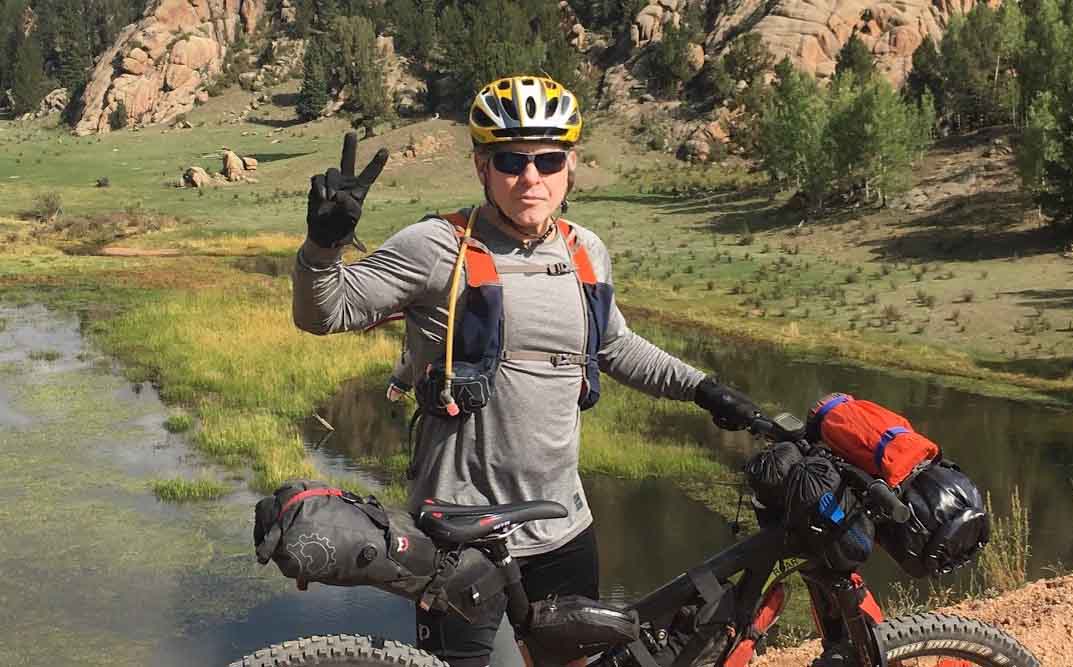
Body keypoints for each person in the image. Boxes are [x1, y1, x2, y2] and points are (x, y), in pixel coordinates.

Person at [292, 74, 759, 667]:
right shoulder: (439, 246)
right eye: (511, 160)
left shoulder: (585, 250)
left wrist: (706, 389)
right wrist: (321, 248)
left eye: (548, 159)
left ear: (571, 165)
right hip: (463, 533)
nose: (531, 177)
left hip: (563, 525)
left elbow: (614, 346)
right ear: (481, 167)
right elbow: (324, 313)